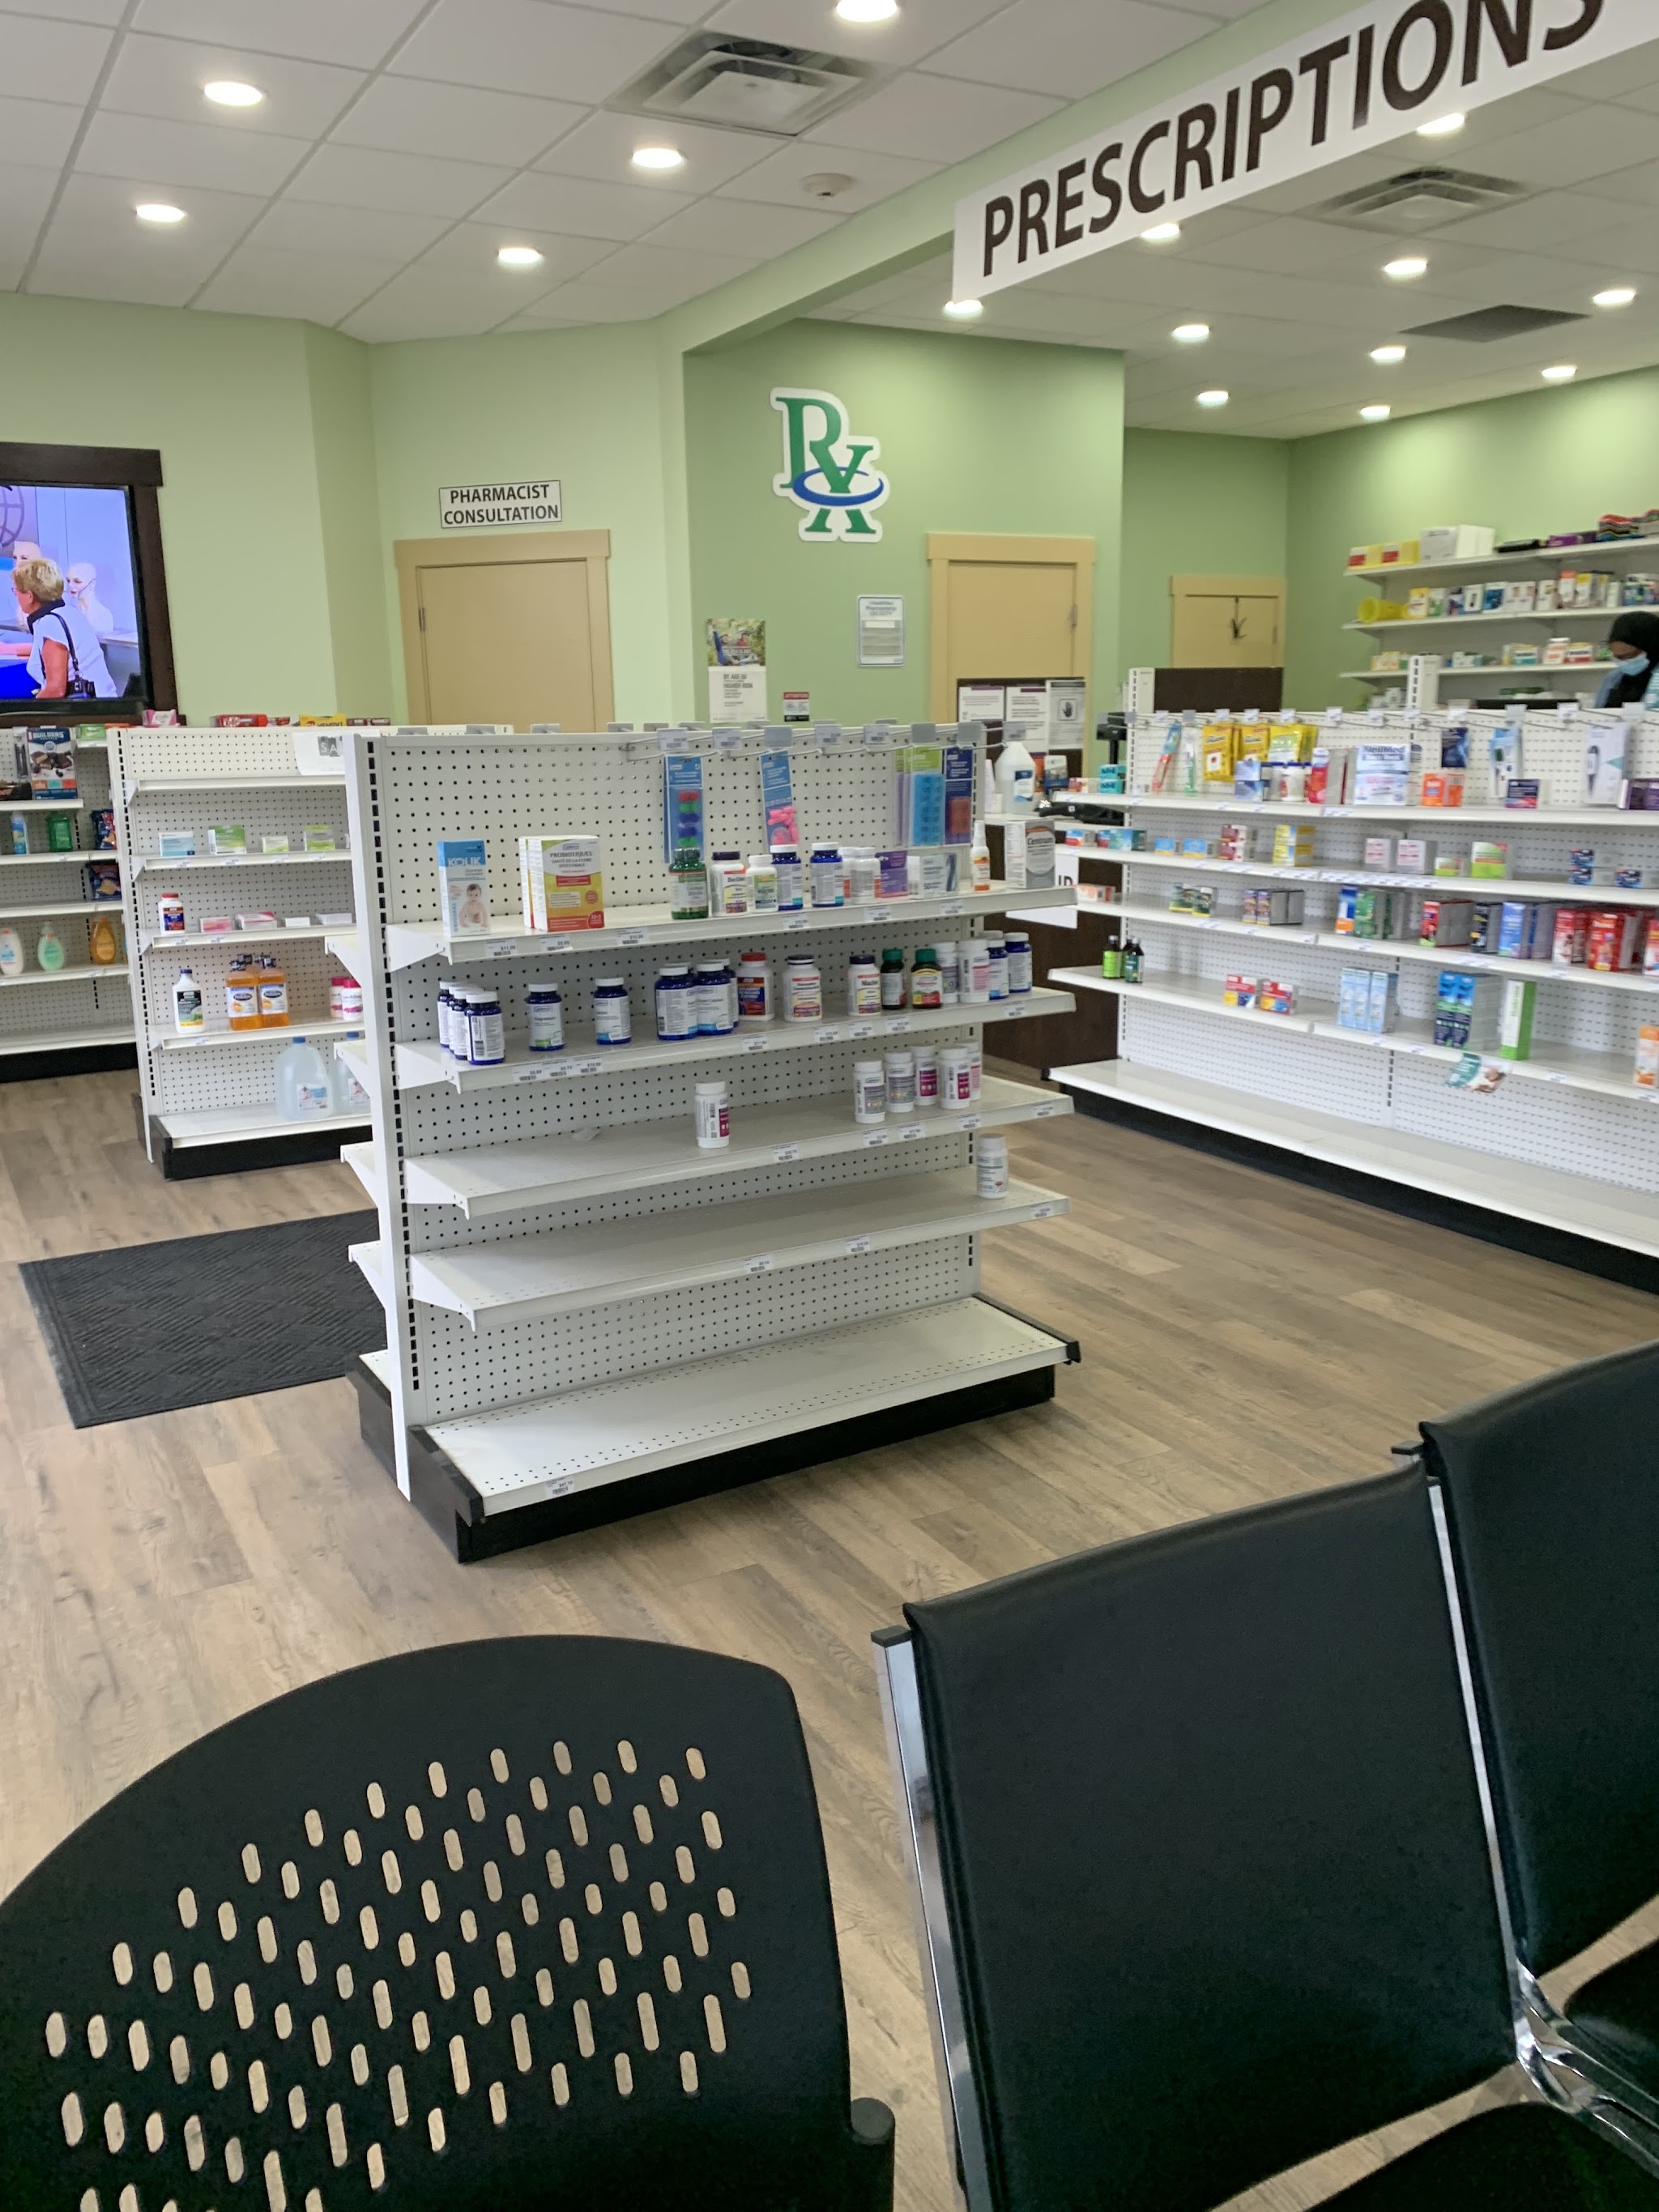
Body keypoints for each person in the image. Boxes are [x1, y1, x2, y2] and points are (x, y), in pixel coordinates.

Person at [10, 554, 117, 699]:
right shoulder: (69, 613)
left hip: (85, 711)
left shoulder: (50, 622)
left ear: (30, 596)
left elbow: (55, 690)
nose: (15, 596)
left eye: (15, 590)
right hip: (104, 703)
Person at [1594, 609, 1659, 710]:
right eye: (1617, 657)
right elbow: (1599, 714)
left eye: (1629, 656)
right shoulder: (1614, 679)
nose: (1624, 663)